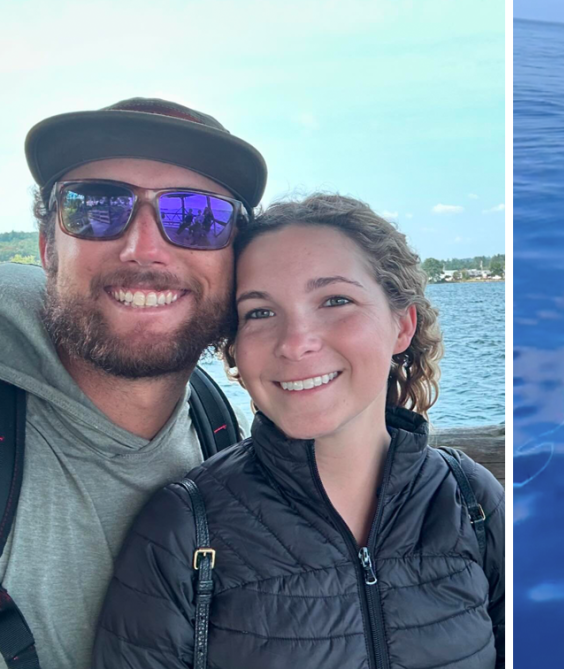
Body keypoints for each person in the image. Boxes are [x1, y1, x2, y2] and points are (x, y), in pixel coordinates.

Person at [0, 97, 266, 668]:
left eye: (196, 216)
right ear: (50, 247)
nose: (143, 248)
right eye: (97, 208)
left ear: (236, 260)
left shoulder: (217, 423)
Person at [90, 194, 506, 668]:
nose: (295, 343)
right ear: (235, 350)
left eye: (336, 300)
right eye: (260, 312)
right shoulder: (183, 528)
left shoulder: (469, 501)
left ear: (402, 325)